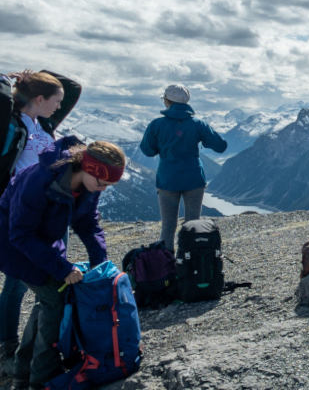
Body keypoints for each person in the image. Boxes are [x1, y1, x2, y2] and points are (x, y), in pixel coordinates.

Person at [0, 137, 124, 389]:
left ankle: (24, 371)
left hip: (42, 242)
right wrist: (62, 268)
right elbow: (20, 234)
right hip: (12, 244)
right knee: (55, 299)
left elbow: (88, 224)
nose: (104, 189)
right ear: (88, 168)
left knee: (50, 299)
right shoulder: (40, 180)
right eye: (103, 183)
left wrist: (101, 265)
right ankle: (41, 377)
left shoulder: (90, 186)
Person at [0, 70, 81, 376]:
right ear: (38, 99)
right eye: (54, 101)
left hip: (46, 211)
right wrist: (7, 82)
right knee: (17, 283)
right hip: (16, 212)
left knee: (35, 280)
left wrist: (31, 75)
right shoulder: (11, 125)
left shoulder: (44, 124)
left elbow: (72, 88)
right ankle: (7, 347)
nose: (60, 107)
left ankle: (28, 350)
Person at [140, 85, 227, 251]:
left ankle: (166, 264)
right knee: (193, 223)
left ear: (167, 101)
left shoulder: (156, 125)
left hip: (167, 180)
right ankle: (191, 260)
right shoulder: (198, 124)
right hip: (194, 179)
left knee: (168, 225)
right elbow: (221, 146)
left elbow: (147, 150)